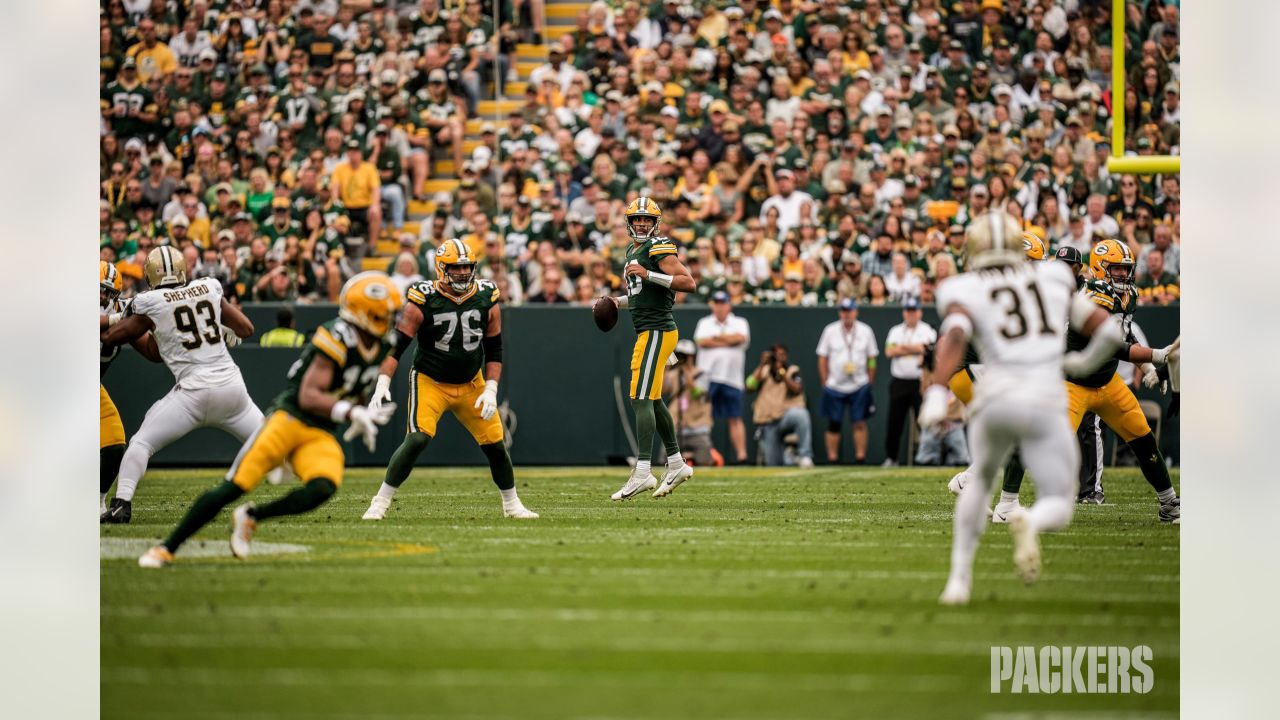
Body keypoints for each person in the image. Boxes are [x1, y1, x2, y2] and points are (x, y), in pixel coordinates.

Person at [919, 217, 1128, 605]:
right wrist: (1081, 365)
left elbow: (954, 336)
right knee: (1060, 504)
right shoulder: (1054, 278)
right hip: (1047, 399)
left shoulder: (963, 286)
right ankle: (1027, 518)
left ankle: (958, 580)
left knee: (979, 481)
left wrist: (934, 392)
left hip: (996, 398)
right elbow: (1111, 333)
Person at [138, 273, 404, 568]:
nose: (390, 320)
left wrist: (361, 410)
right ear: (365, 314)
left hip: (319, 433)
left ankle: (252, 517)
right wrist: (349, 412)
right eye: (384, 314)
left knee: (323, 487)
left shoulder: (381, 345)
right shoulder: (337, 336)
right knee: (234, 486)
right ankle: (166, 548)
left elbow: (353, 390)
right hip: (288, 420)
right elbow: (309, 396)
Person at [994, 239, 1181, 523]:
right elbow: (1109, 343)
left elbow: (1124, 335)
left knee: (1143, 438)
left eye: (1125, 269)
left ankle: (1169, 504)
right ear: (1100, 268)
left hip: (1108, 382)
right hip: (1073, 384)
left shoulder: (1127, 293)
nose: (1123, 275)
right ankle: (1007, 504)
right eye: (1117, 269)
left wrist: (1147, 365)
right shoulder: (1094, 294)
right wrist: (1156, 355)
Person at [361, 240, 538, 520]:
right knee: (417, 439)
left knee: (495, 443)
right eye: (457, 268)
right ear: (442, 269)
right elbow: (396, 347)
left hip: (471, 383)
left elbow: (494, 349)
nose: (464, 274)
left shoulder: (486, 295)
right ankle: (380, 502)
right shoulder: (423, 298)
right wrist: (382, 382)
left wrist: (491, 388)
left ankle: (512, 505)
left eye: (468, 267)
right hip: (431, 381)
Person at [100, 246, 274, 523]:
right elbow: (246, 329)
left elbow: (110, 337)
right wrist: (219, 329)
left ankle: (121, 504)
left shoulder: (150, 301)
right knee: (272, 444)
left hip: (192, 394)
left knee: (141, 443)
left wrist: (124, 319)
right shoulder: (208, 287)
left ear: (150, 274)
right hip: (232, 389)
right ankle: (313, 472)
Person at [595, 198, 697, 500]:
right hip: (648, 330)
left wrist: (649, 273)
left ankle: (642, 471)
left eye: (646, 220)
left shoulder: (658, 247)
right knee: (651, 400)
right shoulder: (633, 251)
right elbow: (641, 296)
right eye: (637, 219)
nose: (641, 224)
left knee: (640, 398)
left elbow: (687, 282)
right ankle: (677, 463)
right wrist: (616, 302)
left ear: (656, 223)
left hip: (657, 330)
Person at [99, 261, 160, 515]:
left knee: (114, 443)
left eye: (107, 291)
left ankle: (96, 502)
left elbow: (150, 352)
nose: (101, 296)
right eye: (97, 289)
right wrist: (121, 317)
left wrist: (160, 331)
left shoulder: (121, 311)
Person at [816, 298, 879, 464]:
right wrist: (824, 379)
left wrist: (870, 377)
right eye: (843, 310)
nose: (846, 314)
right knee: (833, 423)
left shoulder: (865, 331)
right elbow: (822, 357)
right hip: (835, 384)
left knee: (859, 422)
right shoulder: (830, 330)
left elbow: (872, 357)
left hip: (859, 383)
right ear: (839, 312)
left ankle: (860, 457)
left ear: (856, 311)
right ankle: (832, 459)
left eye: (849, 310)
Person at [693, 291, 751, 464]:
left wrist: (717, 339)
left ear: (729, 305)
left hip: (732, 379)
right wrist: (727, 339)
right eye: (716, 302)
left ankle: (742, 457)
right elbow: (702, 342)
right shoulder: (704, 323)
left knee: (735, 418)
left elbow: (740, 338)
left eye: (722, 302)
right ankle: (705, 456)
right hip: (706, 379)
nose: (719, 306)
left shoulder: (740, 322)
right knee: (704, 418)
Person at [882, 297, 937, 466]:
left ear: (919, 312)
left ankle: (929, 457)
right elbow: (889, 352)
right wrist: (916, 347)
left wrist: (904, 348)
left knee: (925, 421)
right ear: (904, 312)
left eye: (914, 311)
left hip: (921, 382)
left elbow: (928, 350)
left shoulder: (927, 330)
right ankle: (892, 458)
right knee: (894, 422)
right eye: (908, 311)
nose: (911, 314)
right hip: (899, 381)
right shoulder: (895, 331)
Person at [747, 344, 814, 467]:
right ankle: (789, 457)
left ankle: (805, 456)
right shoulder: (763, 371)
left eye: (782, 355)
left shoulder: (792, 370)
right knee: (774, 464)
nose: (779, 358)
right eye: (776, 355)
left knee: (801, 414)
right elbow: (749, 386)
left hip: (785, 417)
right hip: (768, 422)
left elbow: (797, 389)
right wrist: (762, 364)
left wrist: (782, 374)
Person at [664, 339, 715, 467]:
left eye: (684, 356)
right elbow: (662, 390)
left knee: (705, 462)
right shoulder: (673, 374)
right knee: (664, 463)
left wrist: (687, 372)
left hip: (698, 427)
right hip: (676, 427)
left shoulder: (702, 374)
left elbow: (698, 393)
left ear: (692, 357)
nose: (681, 359)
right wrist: (665, 369)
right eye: (679, 356)